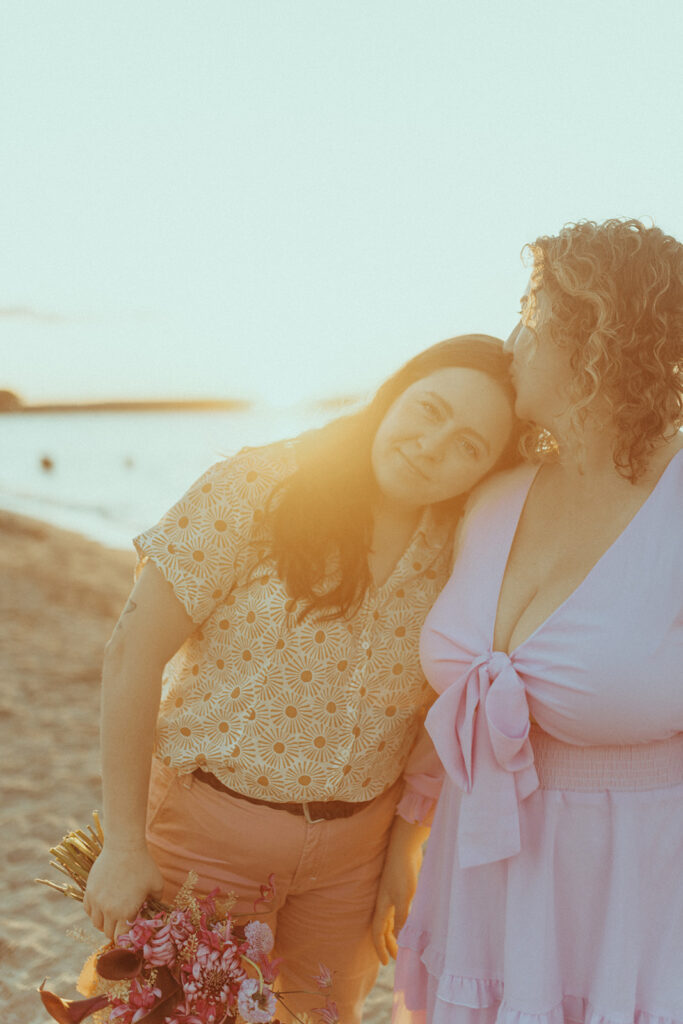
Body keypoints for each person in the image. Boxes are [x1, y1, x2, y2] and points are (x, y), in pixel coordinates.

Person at [82, 334, 524, 1024]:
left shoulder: (465, 541)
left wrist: (403, 851)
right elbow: (131, 653)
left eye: (469, 445)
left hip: (352, 862)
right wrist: (123, 843)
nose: (432, 446)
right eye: (429, 409)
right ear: (393, 392)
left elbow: (442, 705)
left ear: (487, 468)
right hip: (204, 841)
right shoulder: (259, 486)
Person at [393, 218, 683, 1024]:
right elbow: (449, 708)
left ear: (596, 338)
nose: (512, 339)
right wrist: (400, 840)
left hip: (633, 895)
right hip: (475, 876)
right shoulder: (493, 495)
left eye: (532, 314)